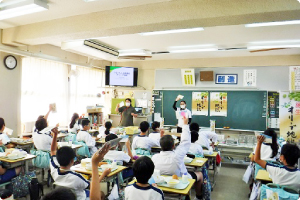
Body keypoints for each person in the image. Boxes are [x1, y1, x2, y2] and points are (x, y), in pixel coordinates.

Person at [50, 128, 111, 200]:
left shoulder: (54, 168)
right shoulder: (76, 177)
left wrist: (55, 135)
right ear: (72, 161)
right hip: (80, 197)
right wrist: (103, 174)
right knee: (101, 194)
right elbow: (92, 186)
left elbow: (53, 150)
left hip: (65, 196)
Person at [152, 117, 203, 200]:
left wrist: (160, 137)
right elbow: (186, 141)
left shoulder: (154, 158)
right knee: (200, 174)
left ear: (161, 145)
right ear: (173, 146)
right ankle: (198, 197)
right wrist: (185, 125)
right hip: (178, 185)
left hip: (160, 187)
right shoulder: (177, 155)